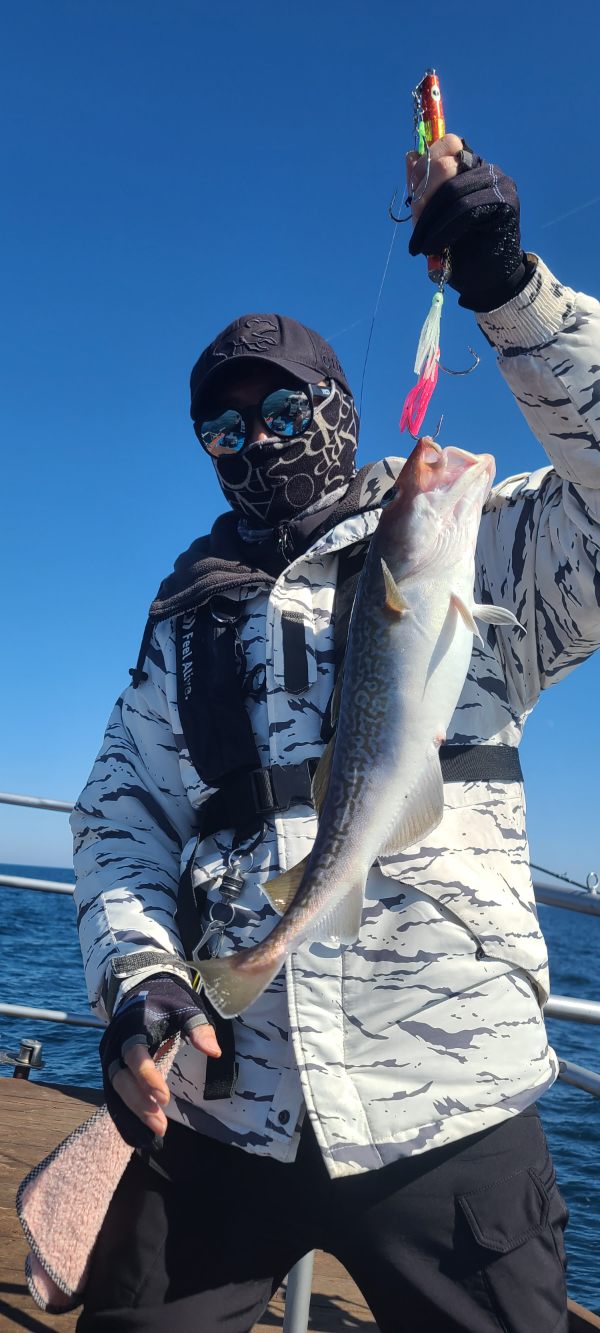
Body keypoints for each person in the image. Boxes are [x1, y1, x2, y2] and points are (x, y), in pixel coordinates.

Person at [71, 133, 600, 1333]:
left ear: (342, 409)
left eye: (284, 408)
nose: (257, 440)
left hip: (449, 1098)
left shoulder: (484, 547)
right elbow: (117, 824)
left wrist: (511, 292)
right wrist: (138, 978)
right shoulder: (187, 616)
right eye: (225, 430)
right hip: (222, 1098)